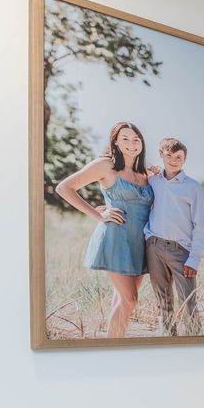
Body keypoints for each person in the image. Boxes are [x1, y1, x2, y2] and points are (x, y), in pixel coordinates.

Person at [56, 122, 153, 338]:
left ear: (142, 144)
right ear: (115, 142)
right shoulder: (105, 165)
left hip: (139, 244)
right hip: (116, 239)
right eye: (125, 139)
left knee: (122, 301)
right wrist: (98, 214)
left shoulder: (145, 173)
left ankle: (114, 345)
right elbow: (64, 188)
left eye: (136, 139)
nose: (131, 143)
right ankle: (114, 346)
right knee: (130, 299)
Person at [143, 137, 204, 334]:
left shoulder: (193, 187)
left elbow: (200, 226)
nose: (174, 160)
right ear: (161, 155)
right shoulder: (152, 181)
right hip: (154, 247)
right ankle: (169, 341)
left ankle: (195, 342)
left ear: (184, 160)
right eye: (169, 155)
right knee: (163, 302)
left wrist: (194, 259)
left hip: (182, 252)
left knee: (188, 302)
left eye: (179, 156)